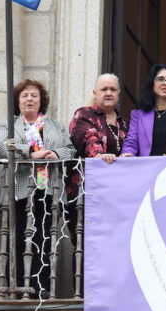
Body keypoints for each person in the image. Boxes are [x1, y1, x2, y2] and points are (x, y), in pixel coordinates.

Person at [0, 79, 75, 298]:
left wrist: (55, 154)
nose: (29, 99)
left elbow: (71, 149)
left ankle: (41, 286)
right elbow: (1, 147)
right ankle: (19, 286)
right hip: (19, 190)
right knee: (19, 237)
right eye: (24, 95)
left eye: (34, 95)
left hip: (47, 190)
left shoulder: (55, 125)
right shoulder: (8, 123)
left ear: (41, 101)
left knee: (45, 238)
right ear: (17, 101)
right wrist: (31, 152)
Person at [67, 73, 128, 250]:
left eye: (113, 89)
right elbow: (89, 137)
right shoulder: (84, 114)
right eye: (104, 89)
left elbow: (133, 148)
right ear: (95, 92)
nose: (108, 93)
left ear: (118, 94)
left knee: (114, 247)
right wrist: (99, 154)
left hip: (116, 195)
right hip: (86, 193)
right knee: (87, 248)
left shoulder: (124, 123)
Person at [121, 64, 166, 157]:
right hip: (147, 167)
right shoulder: (138, 113)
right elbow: (131, 141)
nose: (165, 83)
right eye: (160, 79)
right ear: (152, 82)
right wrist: (127, 154)